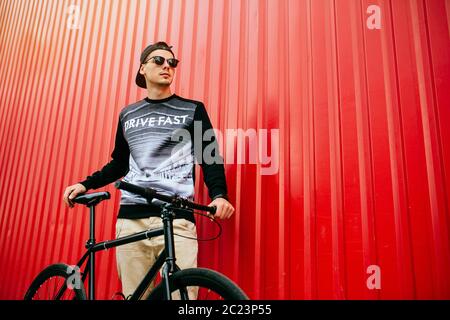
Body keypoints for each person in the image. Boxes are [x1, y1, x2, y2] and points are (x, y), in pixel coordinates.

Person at [63, 41, 234, 299]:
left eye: (172, 62)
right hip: (131, 219)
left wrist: (219, 195)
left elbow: (209, 157)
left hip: (177, 217)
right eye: (159, 60)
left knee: (184, 297)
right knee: (136, 296)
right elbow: (119, 164)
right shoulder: (128, 115)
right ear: (143, 68)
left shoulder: (193, 109)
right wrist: (86, 184)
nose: (167, 66)